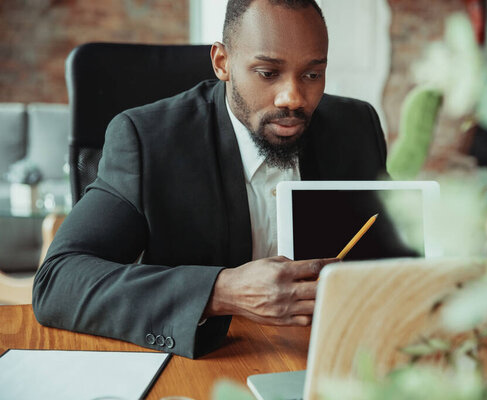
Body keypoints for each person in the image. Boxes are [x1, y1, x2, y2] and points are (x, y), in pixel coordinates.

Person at [32, 0, 401, 359]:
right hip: (211, 362)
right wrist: (222, 291)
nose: (293, 97)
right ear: (222, 63)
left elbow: (392, 255)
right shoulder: (148, 140)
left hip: (331, 356)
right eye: (268, 73)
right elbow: (58, 282)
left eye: (312, 74)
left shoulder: (355, 126)